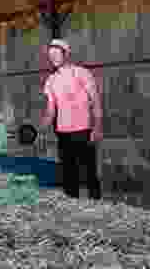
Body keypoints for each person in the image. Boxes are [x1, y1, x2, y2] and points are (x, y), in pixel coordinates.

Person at [40, 38, 103, 200]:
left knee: (89, 170)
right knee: (68, 172)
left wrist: (97, 127)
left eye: (56, 54)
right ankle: (72, 204)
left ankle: (96, 203)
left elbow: (95, 99)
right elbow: (50, 109)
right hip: (62, 132)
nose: (53, 58)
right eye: (50, 55)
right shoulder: (50, 81)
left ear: (66, 54)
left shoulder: (82, 72)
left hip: (84, 129)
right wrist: (41, 127)